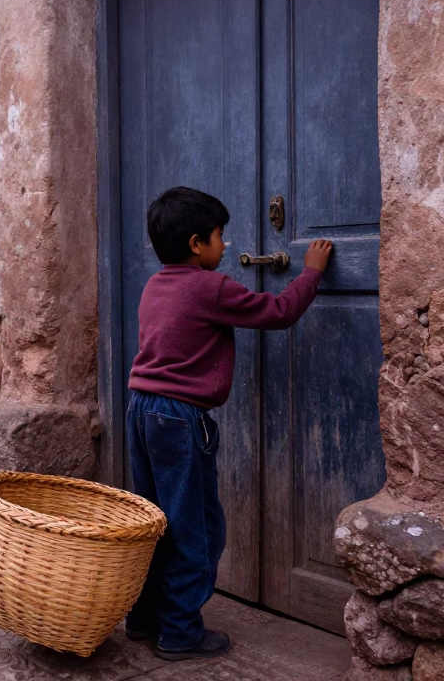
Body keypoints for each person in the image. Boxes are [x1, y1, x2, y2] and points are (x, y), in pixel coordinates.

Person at [125, 186, 332, 661]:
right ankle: (180, 632)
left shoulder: (154, 285)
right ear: (197, 244)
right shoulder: (210, 287)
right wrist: (311, 273)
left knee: (155, 521)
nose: (225, 245)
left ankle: (144, 617)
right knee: (196, 527)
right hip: (179, 419)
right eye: (220, 236)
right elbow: (279, 312)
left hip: (142, 410)